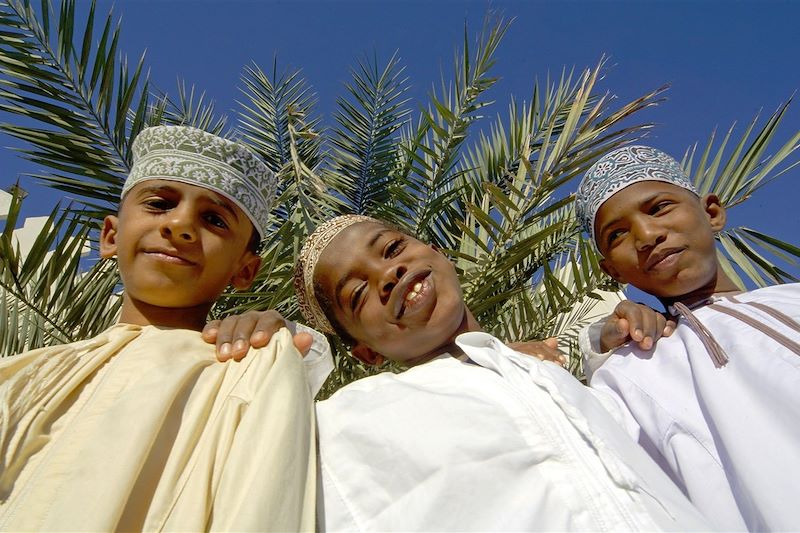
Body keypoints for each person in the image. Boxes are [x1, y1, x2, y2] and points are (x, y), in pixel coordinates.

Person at [0, 125, 332, 531]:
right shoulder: (22, 376)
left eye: (214, 219)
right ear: (110, 235)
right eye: (159, 204)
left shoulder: (249, 367)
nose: (180, 225)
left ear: (245, 270)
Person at [291, 214, 709, 531]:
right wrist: (261, 345)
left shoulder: (551, 376)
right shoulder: (349, 421)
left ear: (437, 251)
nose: (388, 274)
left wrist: (607, 348)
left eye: (392, 249)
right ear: (366, 353)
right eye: (359, 293)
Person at [576, 145, 800, 531]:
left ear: (711, 213)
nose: (646, 235)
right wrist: (596, 343)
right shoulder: (633, 371)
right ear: (612, 271)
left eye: (659, 208)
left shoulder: (791, 298)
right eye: (617, 234)